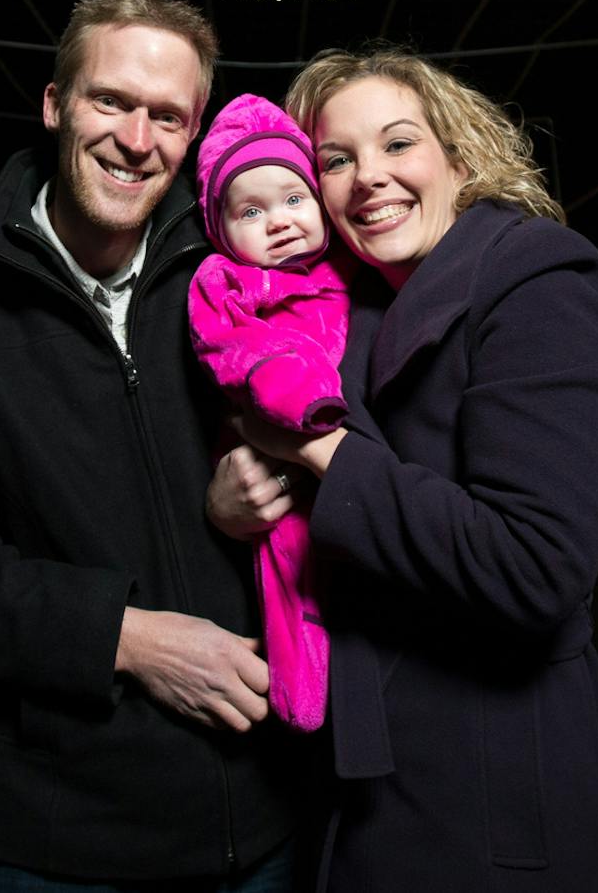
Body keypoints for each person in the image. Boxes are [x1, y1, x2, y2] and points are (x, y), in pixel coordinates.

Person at [0, 0, 298, 891]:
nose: (137, 139)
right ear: (56, 104)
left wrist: (244, 496)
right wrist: (126, 638)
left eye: (167, 115)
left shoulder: (241, 274)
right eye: (111, 101)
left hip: (261, 827)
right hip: (48, 842)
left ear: (194, 132)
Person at [209, 46, 598, 892]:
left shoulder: (540, 277)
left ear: (461, 157)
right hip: (363, 774)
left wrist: (316, 446)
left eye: (398, 143)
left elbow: (535, 564)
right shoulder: (351, 303)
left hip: (491, 782)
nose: (369, 175)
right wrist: (230, 501)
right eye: (337, 159)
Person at [187, 92, 350, 732]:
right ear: (221, 230)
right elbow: (230, 347)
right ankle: (298, 694)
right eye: (251, 211)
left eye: (293, 199)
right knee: (288, 563)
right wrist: (291, 387)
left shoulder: (346, 269)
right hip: (271, 446)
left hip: (345, 464)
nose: (279, 222)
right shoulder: (226, 279)